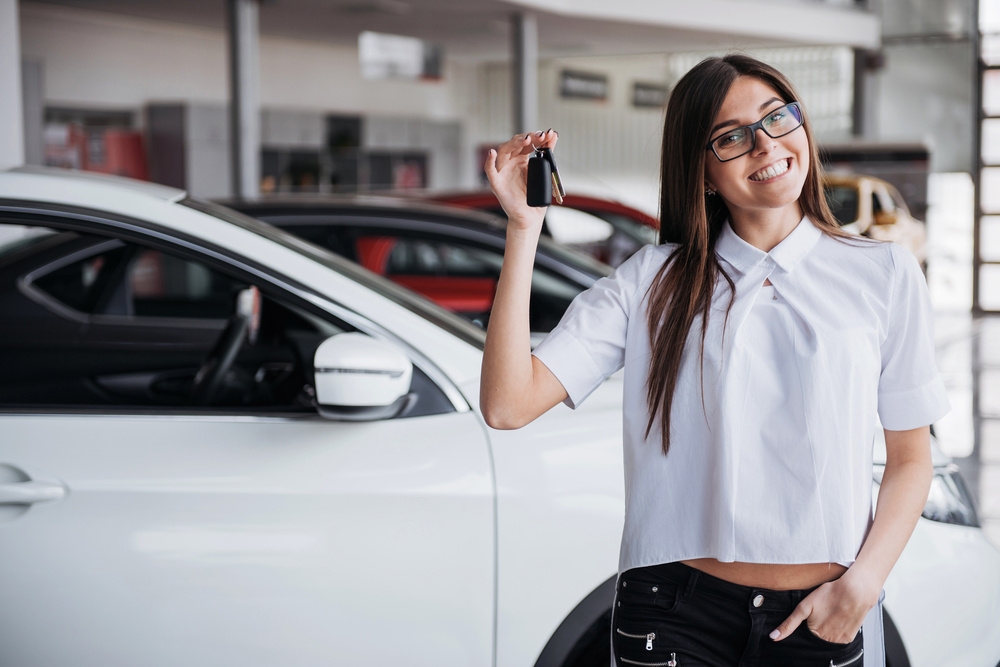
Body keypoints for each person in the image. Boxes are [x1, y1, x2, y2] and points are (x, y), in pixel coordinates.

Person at [481, 54, 949, 667]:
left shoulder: (883, 273)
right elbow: (507, 403)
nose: (766, 145)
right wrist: (524, 227)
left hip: (820, 614)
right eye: (731, 136)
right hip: (673, 613)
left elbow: (912, 458)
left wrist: (862, 585)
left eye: (777, 118)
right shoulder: (651, 282)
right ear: (700, 171)